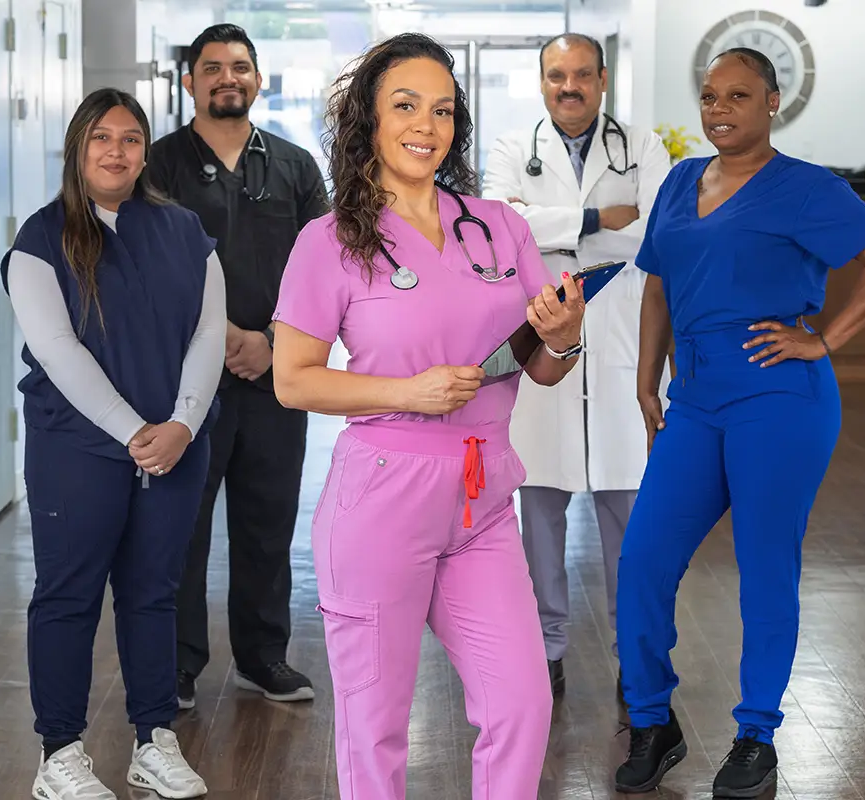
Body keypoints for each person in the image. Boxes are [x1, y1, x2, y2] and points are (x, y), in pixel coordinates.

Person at [270, 33, 584, 799]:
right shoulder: (329, 241)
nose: (427, 125)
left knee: (522, 702)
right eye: (405, 105)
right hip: (382, 496)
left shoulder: (497, 227)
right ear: (367, 122)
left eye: (442, 110)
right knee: (375, 724)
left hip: (482, 500)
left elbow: (536, 363)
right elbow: (292, 381)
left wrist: (566, 340)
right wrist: (406, 392)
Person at [613, 48, 865, 797]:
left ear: (773, 103)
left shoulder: (806, 189)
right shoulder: (683, 181)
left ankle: (757, 738)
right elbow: (658, 285)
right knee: (643, 563)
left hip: (780, 400)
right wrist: (648, 382)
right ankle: (653, 721)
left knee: (764, 568)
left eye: (739, 96)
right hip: (696, 401)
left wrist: (825, 338)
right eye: (710, 96)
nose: (719, 110)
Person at [3, 87, 223, 800]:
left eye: (131, 138)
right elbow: (59, 352)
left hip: (175, 446)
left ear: (145, 150)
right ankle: (59, 753)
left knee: (154, 594)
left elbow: (208, 333)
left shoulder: (186, 230)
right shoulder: (39, 242)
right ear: (77, 147)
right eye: (101, 137)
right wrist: (136, 432)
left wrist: (184, 422)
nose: (117, 151)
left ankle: (154, 739)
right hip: (78, 449)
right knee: (68, 596)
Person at [481, 32, 671, 698]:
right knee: (539, 514)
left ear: (602, 80)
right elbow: (502, 224)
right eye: (557, 75)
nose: (570, 86)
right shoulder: (511, 149)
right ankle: (548, 649)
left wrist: (552, 224)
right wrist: (594, 216)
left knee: (632, 520)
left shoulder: (642, 147)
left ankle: (634, 655)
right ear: (541, 83)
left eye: (582, 74)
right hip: (546, 351)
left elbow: (654, 230)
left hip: (621, 348)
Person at [145, 23, 329, 707]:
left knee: (267, 520)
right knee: (180, 527)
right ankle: (178, 665)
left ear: (259, 79)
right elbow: (151, 263)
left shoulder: (294, 166)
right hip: (184, 382)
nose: (228, 77)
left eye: (241, 66)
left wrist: (271, 345)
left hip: (276, 378)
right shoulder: (158, 166)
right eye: (213, 66)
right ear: (190, 80)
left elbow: (324, 269)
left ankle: (262, 657)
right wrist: (225, 336)